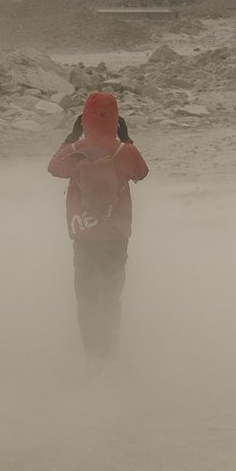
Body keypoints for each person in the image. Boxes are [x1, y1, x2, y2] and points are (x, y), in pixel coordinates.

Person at [46, 89, 149, 358]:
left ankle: (92, 358)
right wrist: (126, 138)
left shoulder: (75, 151)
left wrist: (71, 137)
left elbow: (54, 168)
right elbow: (142, 173)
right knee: (111, 298)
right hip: (116, 237)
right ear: (116, 119)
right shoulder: (126, 151)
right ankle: (109, 353)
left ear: (85, 120)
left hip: (85, 235)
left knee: (87, 299)